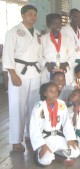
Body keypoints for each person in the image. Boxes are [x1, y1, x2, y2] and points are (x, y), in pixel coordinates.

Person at [2, 5, 41, 151]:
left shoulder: (37, 33)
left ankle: (30, 134)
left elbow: (39, 55)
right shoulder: (13, 32)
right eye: (30, 14)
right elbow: (8, 54)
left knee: (33, 106)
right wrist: (12, 74)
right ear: (23, 15)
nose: (33, 16)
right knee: (17, 106)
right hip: (19, 72)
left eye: (35, 14)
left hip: (34, 73)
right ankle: (15, 140)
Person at [30, 82, 80, 166]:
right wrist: (42, 145)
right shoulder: (38, 107)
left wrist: (70, 139)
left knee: (75, 152)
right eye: (51, 91)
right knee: (46, 161)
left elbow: (66, 122)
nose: (54, 94)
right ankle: (43, 151)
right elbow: (34, 128)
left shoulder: (61, 104)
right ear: (45, 93)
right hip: (45, 138)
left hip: (58, 136)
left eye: (56, 91)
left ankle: (57, 151)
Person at [40, 13, 75, 85]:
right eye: (55, 23)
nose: (58, 25)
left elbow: (72, 55)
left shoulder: (67, 39)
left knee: (63, 92)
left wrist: (66, 63)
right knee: (49, 91)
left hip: (63, 68)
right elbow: (39, 56)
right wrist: (46, 64)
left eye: (60, 23)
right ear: (49, 25)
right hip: (49, 69)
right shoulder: (43, 39)